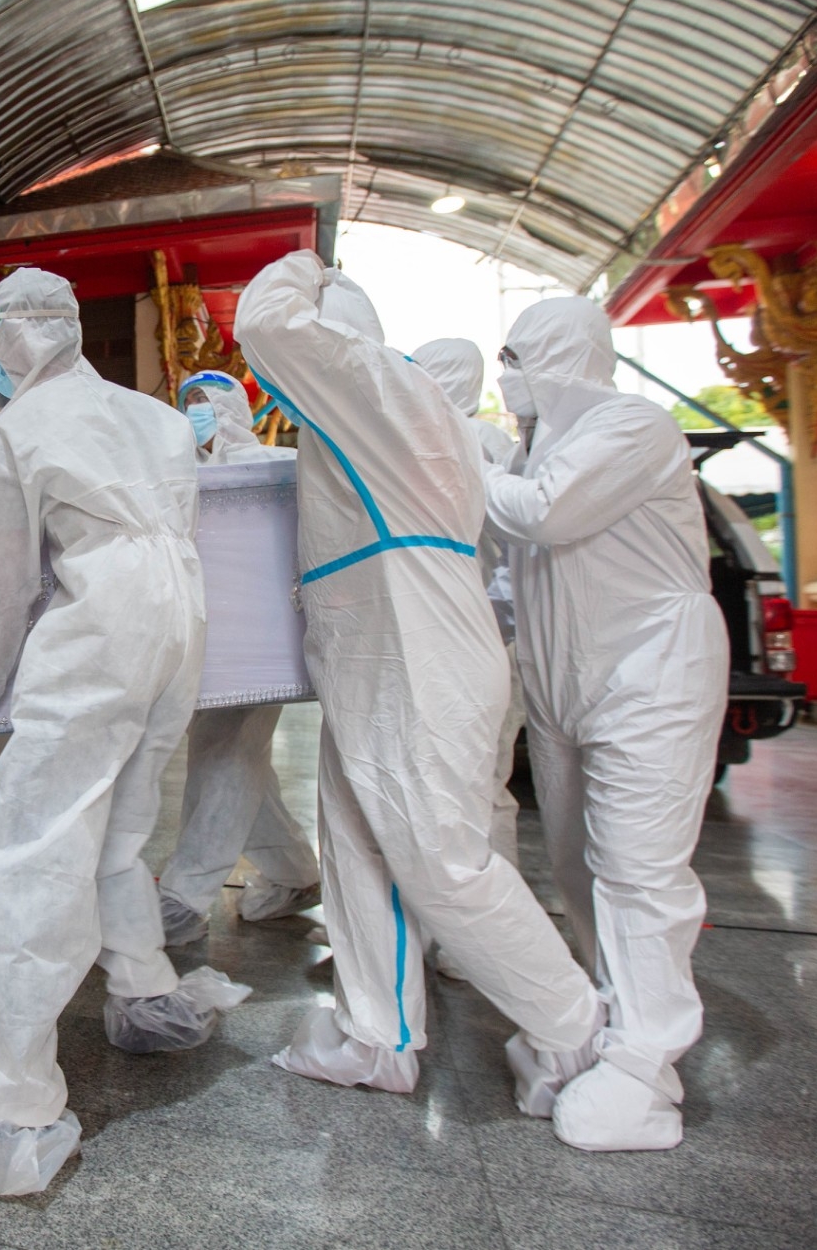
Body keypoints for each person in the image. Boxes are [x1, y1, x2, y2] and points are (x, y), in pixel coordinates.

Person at [233, 250, 602, 1109]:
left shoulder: (371, 381)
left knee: (440, 858)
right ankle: (378, 1035)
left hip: (414, 644)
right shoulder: (382, 405)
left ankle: (577, 1026)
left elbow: (266, 321)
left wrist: (304, 268)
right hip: (378, 645)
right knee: (359, 844)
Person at [0, 268, 247, 1197]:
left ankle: (14, 1104)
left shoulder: (18, 428)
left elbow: (5, 577)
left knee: (28, 845)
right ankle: (143, 991)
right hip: (180, 620)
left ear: (14, 338)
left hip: (101, 622)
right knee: (119, 829)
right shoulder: (157, 417)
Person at [484, 296, 728, 1152]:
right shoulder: (529, 452)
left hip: (650, 668)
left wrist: (457, 461)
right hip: (564, 683)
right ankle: (606, 1021)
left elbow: (548, 513)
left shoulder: (634, 425)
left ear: (562, 355)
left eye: (518, 358)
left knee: (638, 868)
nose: (507, 376)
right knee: (574, 862)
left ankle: (647, 1065)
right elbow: (513, 579)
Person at [158, 370, 321, 945]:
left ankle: (185, 894)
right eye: (189, 402)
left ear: (233, 406)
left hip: (263, 643)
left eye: (206, 401)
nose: (196, 411)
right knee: (237, 757)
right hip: (204, 637)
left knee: (225, 754)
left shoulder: (278, 466)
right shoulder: (178, 474)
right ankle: (296, 875)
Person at [410, 338, 524, 870]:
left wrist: (495, 620)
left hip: (480, 634)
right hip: (460, 634)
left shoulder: (481, 442)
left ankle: (490, 897)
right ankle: (464, 897)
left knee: (477, 778)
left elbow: (514, 545)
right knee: (456, 778)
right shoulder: (434, 441)